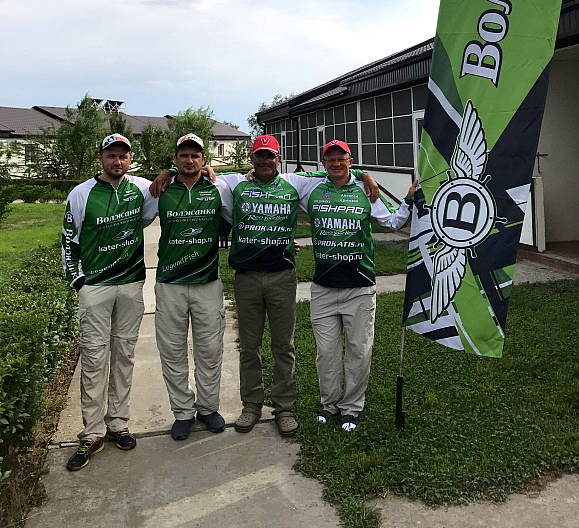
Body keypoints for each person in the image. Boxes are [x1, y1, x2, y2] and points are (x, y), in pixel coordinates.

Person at [151, 134, 378, 438]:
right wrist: (168, 171)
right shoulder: (234, 183)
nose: (265, 161)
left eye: (270, 156)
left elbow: (334, 171)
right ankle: (252, 405)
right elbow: (193, 170)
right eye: (260, 156)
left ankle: (284, 408)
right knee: (250, 346)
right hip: (247, 278)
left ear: (278, 158)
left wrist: (364, 174)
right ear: (252, 158)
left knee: (284, 346)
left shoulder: (295, 182)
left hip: (282, 277)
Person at [301, 139, 417, 432]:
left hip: (360, 287)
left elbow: (393, 222)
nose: (336, 164)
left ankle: (351, 408)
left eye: (341, 159)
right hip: (324, 287)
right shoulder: (313, 188)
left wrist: (408, 199)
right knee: (326, 353)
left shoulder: (365, 191)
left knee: (359, 351)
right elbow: (280, 177)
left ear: (349, 161)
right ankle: (329, 405)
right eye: (330, 159)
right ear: (323, 164)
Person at [61, 134, 157, 471]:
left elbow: (173, 182)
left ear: (130, 159)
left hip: (130, 285)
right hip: (96, 287)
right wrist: (77, 280)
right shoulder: (81, 193)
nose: (117, 161)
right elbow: (68, 240)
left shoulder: (141, 189)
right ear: (100, 158)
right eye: (111, 155)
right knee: (94, 358)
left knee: (124, 355)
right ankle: (92, 433)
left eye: (123, 156)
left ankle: (118, 423)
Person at [155, 133, 233, 440]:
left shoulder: (218, 188)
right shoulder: (160, 190)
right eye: (184, 155)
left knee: (210, 350)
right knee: (172, 351)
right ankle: (183, 412)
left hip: (207, 282)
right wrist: (166, 174)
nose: (190, 160)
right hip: (170, 283)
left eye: (195, 155)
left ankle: (208, 408)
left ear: (204, 160)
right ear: (174, 160)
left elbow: (248, 206)